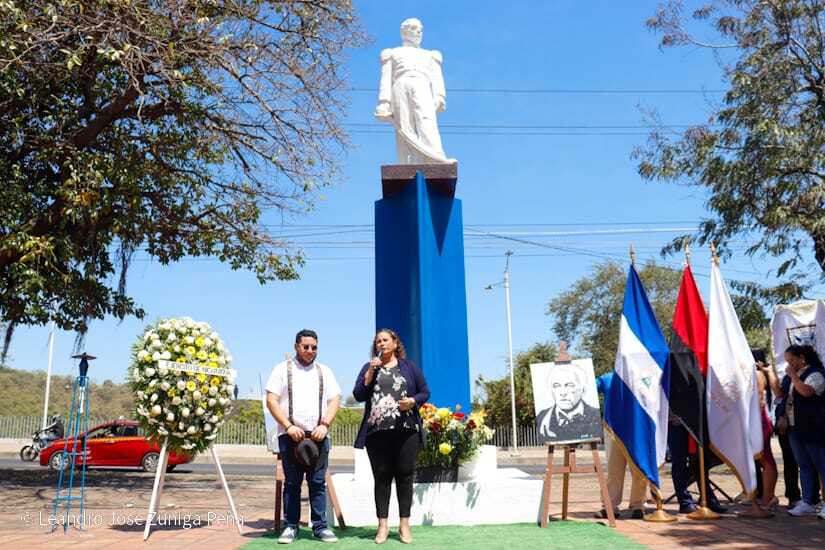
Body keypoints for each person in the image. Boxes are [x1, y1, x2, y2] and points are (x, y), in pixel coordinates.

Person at [353, 329, 430, 544]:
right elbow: (359, 394)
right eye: (378, 341)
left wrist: (413, 401)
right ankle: (383, 525)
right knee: (382, 478)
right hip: (377, 433)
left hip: (406, 430)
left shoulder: (409, 367)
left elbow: (425, 392)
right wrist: (369, 373)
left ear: (395, 343)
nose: (381, 344)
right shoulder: (369, 368)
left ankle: (404, 525)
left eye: (385, 340)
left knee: (405, 476)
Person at [265, 329, 341, 544]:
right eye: (305, 346)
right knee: (292, 484)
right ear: (296, 346)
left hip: (318, 436)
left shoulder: (324, 371)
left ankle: (320, 526)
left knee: (317, 483)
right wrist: (288, 426)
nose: (310, 351)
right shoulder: (282, 370)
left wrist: (325, 424)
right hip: (290, 436)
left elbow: (334, 400)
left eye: (314, 347)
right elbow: (271, 400)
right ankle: (291, 526)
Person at [375, 18, 455, 164]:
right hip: (400, 85)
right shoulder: (392, 53)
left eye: (420, 29)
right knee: (404, 123)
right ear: (404, 31)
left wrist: (440, 96)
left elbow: (437, 77)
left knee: (426, 119)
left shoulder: (430, 54)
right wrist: (384, 102)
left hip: (422, 85)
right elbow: (385, 78)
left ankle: (435, 157)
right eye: (413, 28)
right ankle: (407, 161)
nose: (418, 31)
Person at [771, 345, 825, 518]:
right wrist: (769, 375)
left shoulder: (816, 374)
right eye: (786, 361)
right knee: (804, 465)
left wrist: (793, 376)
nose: (788, 364)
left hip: (813, 427)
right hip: (794, 428)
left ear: (802, 358)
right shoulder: (790, 377)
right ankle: (808, 501)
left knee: (821, 465)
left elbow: (807, 392)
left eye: (791, 360)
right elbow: (781, 394)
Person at [595, 372, 647, 520]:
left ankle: (638, 506)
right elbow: (587, 386)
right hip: (613, 430)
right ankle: (609, 506)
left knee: (639, 470)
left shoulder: (641, 377)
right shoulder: (608, 378)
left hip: (636, 429)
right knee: (614, 470)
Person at [739, 364, 779, 517]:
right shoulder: (757, 375)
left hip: (758, 422)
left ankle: (767, 499)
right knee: (764, 460)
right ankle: (765, 499)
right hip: (758, 421)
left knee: (765, 460)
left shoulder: (756, 375)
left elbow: (757, 400)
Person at [536, 365, 601, 442]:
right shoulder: (542, 417)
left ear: (583, 390)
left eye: (570, 385)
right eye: (556, 386)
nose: (563, 393)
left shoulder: (595, 415)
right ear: (551, 391)